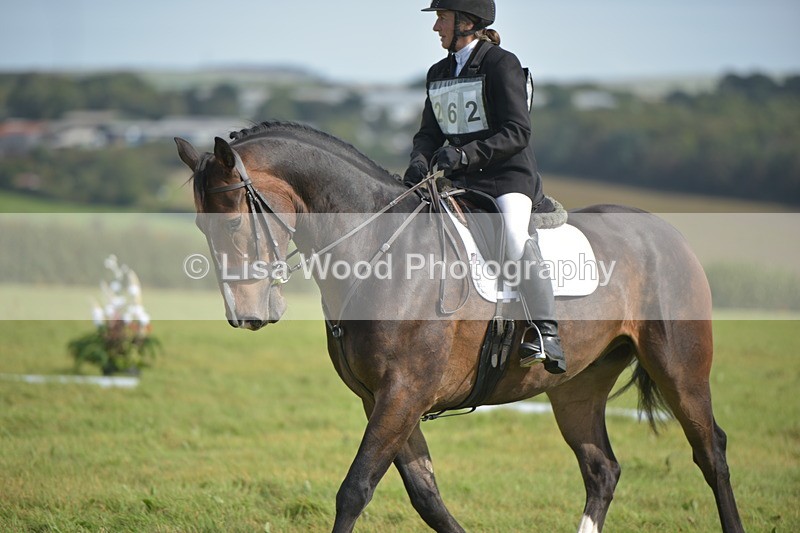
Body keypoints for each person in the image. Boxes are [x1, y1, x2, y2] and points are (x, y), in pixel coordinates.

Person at [404, 0, 566, 374]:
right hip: (461, 182)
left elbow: (518, 132)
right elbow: (429, 133)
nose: (436, 28)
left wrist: (464, 155)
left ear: (467, 21)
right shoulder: (438, 72)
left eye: (442, 18)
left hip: (506, 178)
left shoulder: (500, 64)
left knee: (512, 235)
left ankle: (546, 332)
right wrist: (419, 158)